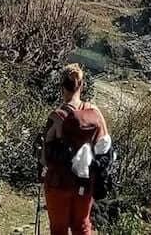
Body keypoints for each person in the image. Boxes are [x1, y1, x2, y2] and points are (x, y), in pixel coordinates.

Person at [41, 63, 108, 235]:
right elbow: (104, 147)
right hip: (85, 182)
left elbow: (44, 158)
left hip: (58, 182)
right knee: (82, 226)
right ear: (82, 85)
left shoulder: (57, 116)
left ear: (62, 86)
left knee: (59, 229)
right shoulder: (95, 112)